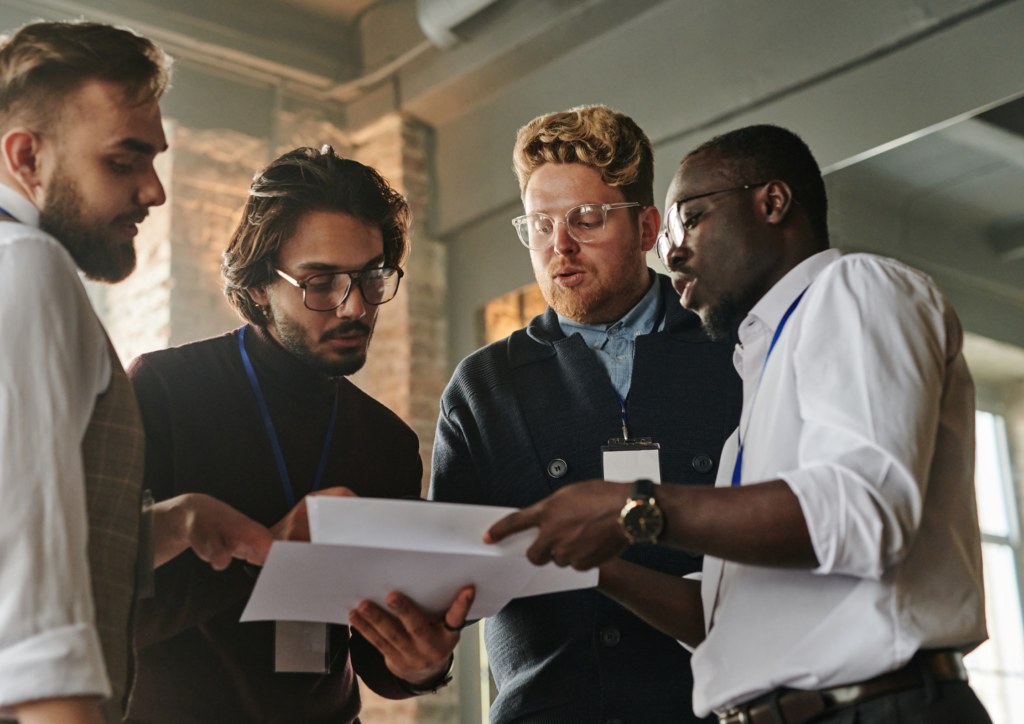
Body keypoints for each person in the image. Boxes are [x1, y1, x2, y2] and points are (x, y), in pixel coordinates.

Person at [487, 124, 991, 724]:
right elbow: (720, 615)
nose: (671, 252)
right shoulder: (761, 367)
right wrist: (595, 565)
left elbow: (860, 513)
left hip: (879, 708)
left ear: (772, 202)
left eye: (690, 220)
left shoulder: (855, 287)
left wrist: (630, 505)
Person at [125, 146, 472, 724]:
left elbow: (375, 659)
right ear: (260, 285)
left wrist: (422, 665)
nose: (355, 306)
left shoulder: (386, 441)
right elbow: (107, 606)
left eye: (371, 277)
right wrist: (266, 553)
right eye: (321, 282)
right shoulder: (165, 390)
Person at [0, 21, 277, 724]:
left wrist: (176, 523)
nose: (153, 190)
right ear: (25, 156)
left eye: (153, 159)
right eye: (124, 162)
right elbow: (28, 600)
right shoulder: (26, 266)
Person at [429, 105, 742, 723]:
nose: (559, 245)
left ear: (649, 226)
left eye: (587, 219)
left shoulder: (734, 354)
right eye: (540, 224)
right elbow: (447, 581)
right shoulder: (482, 386)